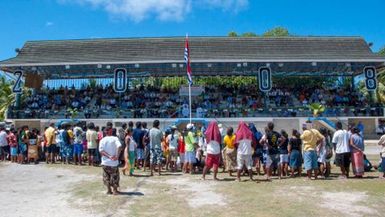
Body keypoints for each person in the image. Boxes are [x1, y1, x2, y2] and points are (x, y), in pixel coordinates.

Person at [99, 128, 122, 195]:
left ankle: (109, 190)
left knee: (106, 176)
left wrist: (109, 156)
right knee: (114, 176)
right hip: (113, 163)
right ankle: (114, 190)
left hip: (105, 162)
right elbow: (120, 146)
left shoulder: (102, 140)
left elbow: (101, 151)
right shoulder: (115, 138)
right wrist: (117, 156)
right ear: (111, 131)